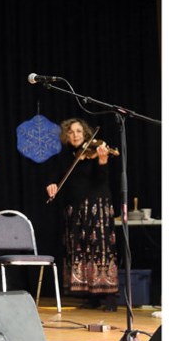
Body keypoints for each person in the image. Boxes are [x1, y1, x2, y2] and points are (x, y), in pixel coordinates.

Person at [45, 118, 119, 310]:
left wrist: (103, 161)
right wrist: (51, 185)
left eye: (79, 131)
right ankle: (91, 296)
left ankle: (109, 296)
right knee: (81, 250)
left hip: (96, 206)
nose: (75, 135)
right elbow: (54, 177)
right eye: (71, 132)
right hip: (75, 209)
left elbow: (102, 181)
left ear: (85, 134)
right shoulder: (64, 157)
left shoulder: (95, 152)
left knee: (100, 249)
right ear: (66, 135)